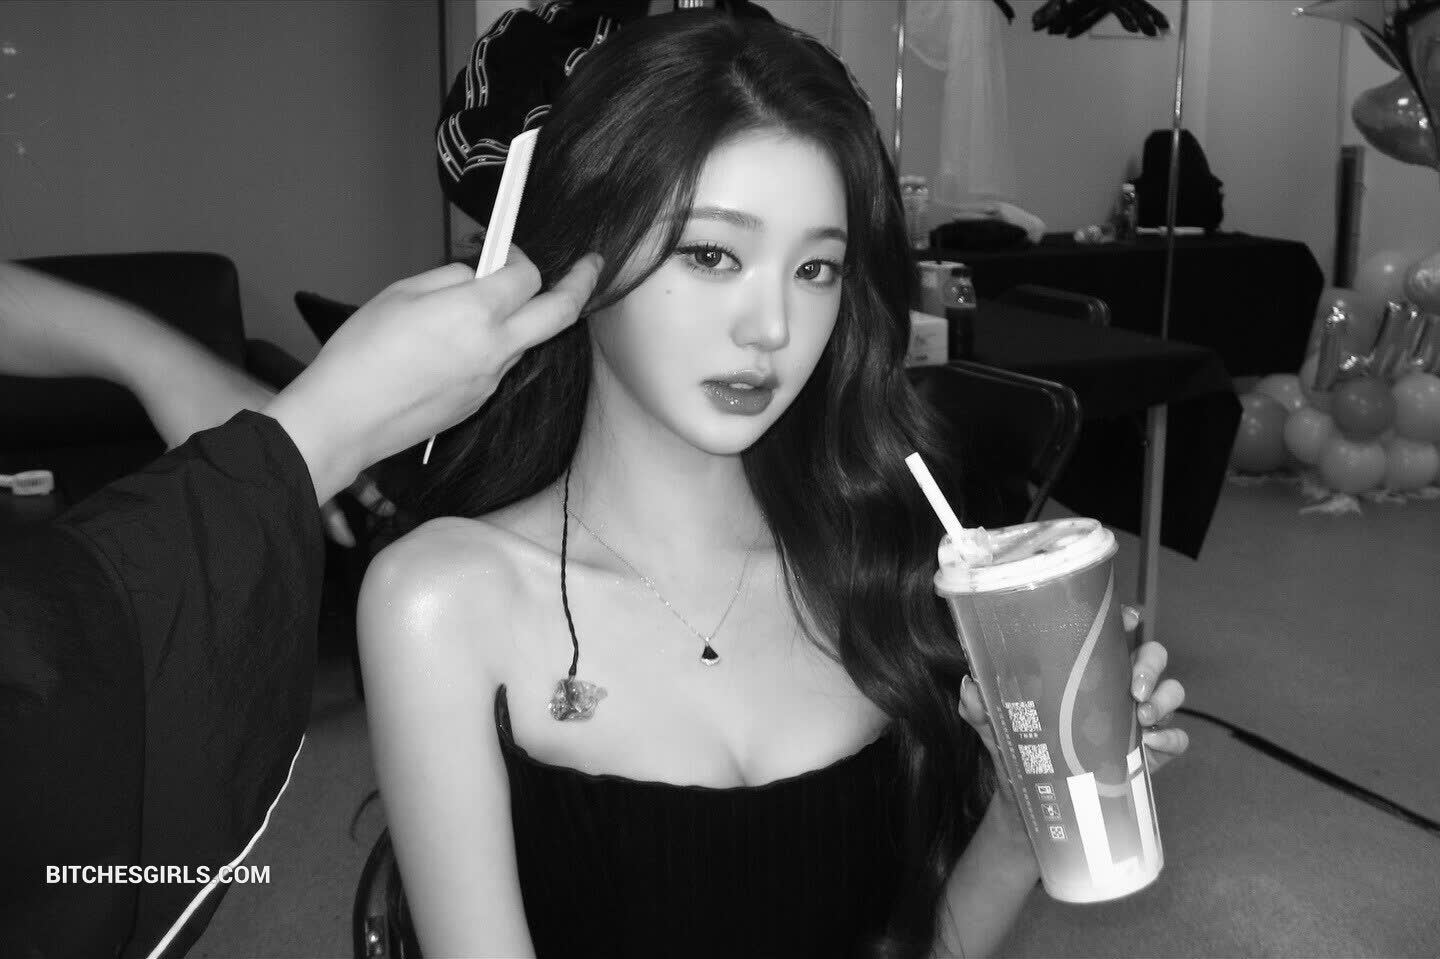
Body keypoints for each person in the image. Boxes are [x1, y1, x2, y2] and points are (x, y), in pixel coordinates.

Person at [363, 9, 1187, 959]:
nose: (773, 328)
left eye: (816, 268)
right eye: (711, 254)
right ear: (583, 252)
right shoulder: (442, 602)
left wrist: (1019, 810)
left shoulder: (879, 567)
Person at [0, 251, 601, 959]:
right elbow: (46, 663)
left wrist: (156, 358)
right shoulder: (428, 600)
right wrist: (311, 437)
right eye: (704, 256)